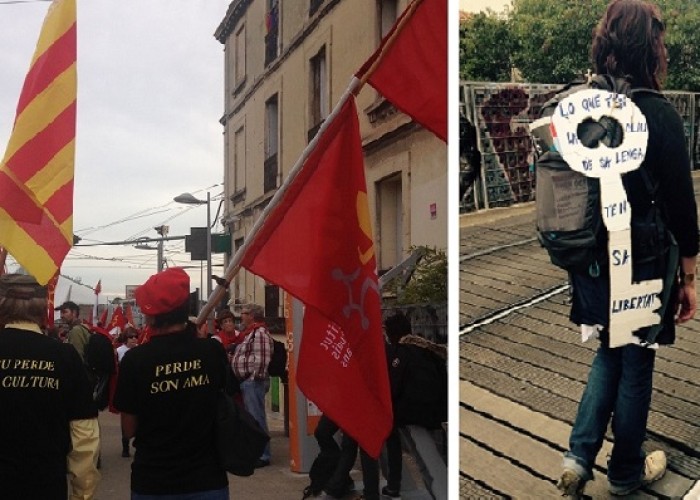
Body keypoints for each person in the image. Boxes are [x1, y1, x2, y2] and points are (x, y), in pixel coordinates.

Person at [557, 1, 698, 497]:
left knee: (609, 351)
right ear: (651, 47)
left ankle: (577, 458)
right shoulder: (658, 114)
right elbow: (682, 206)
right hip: (641, 261)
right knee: (636, 358)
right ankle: (624, 471)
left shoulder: (582, 107)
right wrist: (691, 277)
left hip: (591, 260)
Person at [113, 267, 230, 499]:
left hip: (154, 481)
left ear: (151, 316)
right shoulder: (212, 351)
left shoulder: (135, 360)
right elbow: (224, 398)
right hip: (207, 479)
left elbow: (129, 429)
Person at [0, 273, 100, 499]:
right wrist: (82, 493)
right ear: (44, 308)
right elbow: (84, 436)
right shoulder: (65, 357)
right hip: (46, 485)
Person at [383, 311, 448, 498]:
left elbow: (394, 385)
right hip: (436, 414)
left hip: (411, 415)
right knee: (438, 458)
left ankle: (439, 493)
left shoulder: (401, 353)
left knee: (425, 462)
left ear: (392, 334)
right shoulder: (428, 350)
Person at [231, 303, 273, 467]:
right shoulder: (249, 333)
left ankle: (263, 454)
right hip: (247, 381)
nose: (242, 316)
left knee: (257, 419)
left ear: (252, 315)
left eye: (244, 313)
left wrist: (254, 377)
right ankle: (258, 452)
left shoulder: (259, 333)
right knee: (253, 418)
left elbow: (262, 358)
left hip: (253, 382)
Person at [115, 326, 139, 458]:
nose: (134, 339)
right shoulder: (119, 351)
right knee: (126, 418)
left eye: (135, 336)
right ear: (125, 338)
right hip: (125, 387)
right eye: (131, 337)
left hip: (138, 388)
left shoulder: (141, 351)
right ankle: (125, 446)